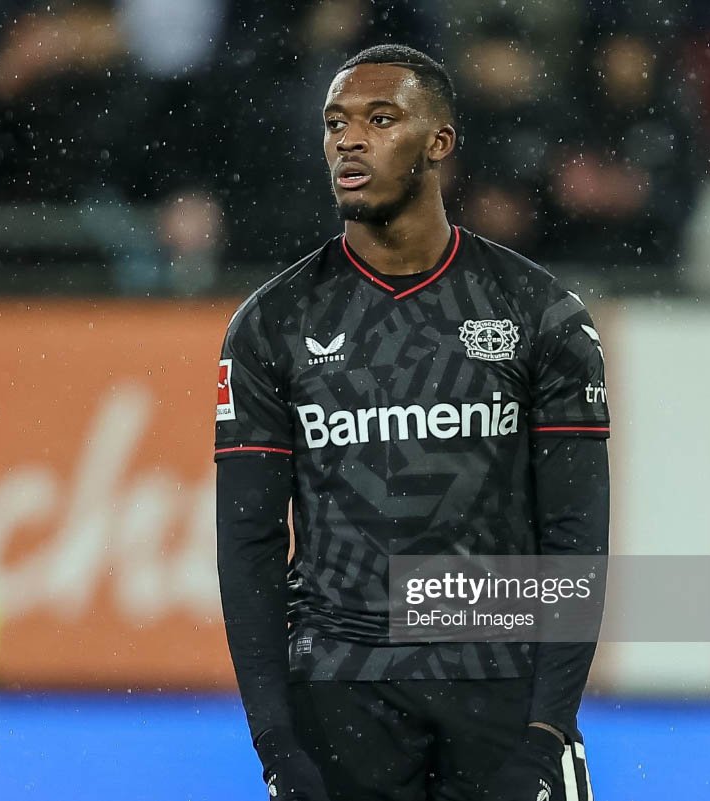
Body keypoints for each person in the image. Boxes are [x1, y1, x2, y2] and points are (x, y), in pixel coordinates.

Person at [214, 44, 609, 801]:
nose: (348, 140)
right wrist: (276, 743)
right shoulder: (270, 326)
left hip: (500, 690)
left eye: (380, 118)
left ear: (440, 142)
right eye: (335, 123)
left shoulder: (541, 315)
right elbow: (249, 544)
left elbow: (576, 540)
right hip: (340, 693)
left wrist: (545, 734)